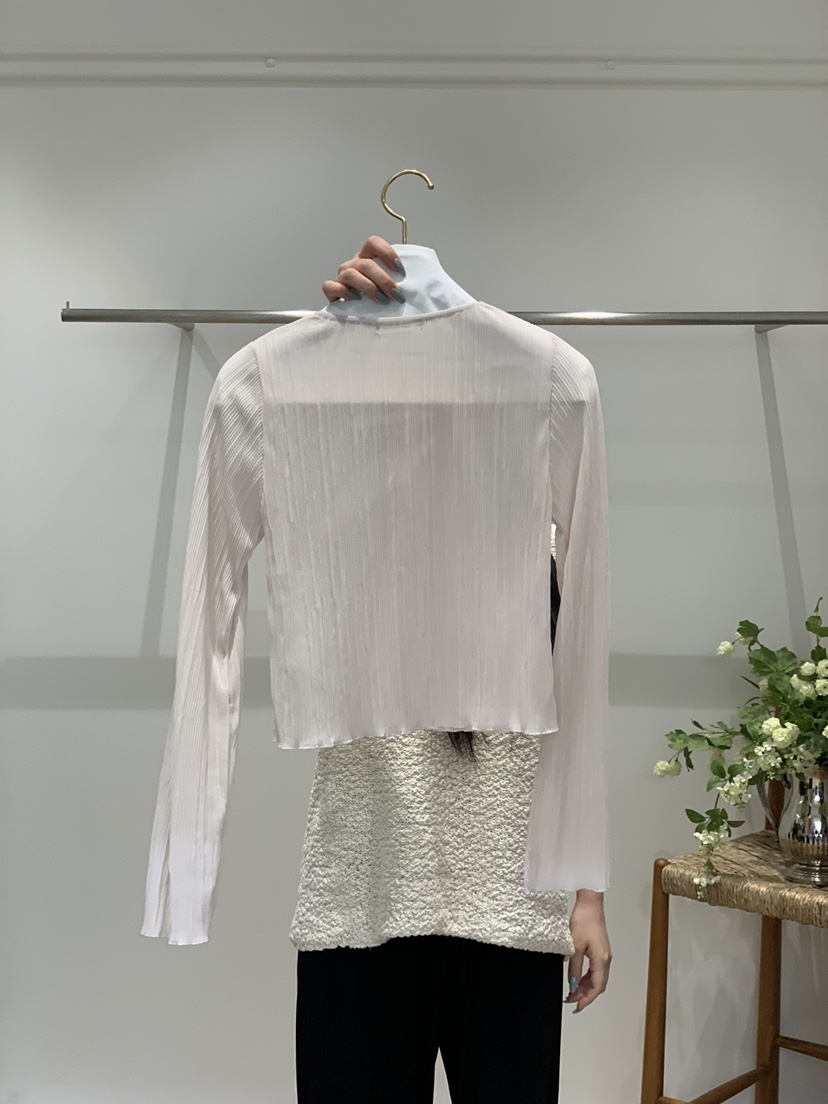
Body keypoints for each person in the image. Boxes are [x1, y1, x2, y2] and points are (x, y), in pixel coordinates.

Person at [293, 236, 612, 1104]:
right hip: (363, 901)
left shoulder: (546, 530)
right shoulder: (345, 514)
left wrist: (587, 896)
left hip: (510, 912)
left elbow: (580, 715)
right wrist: (339, 339)